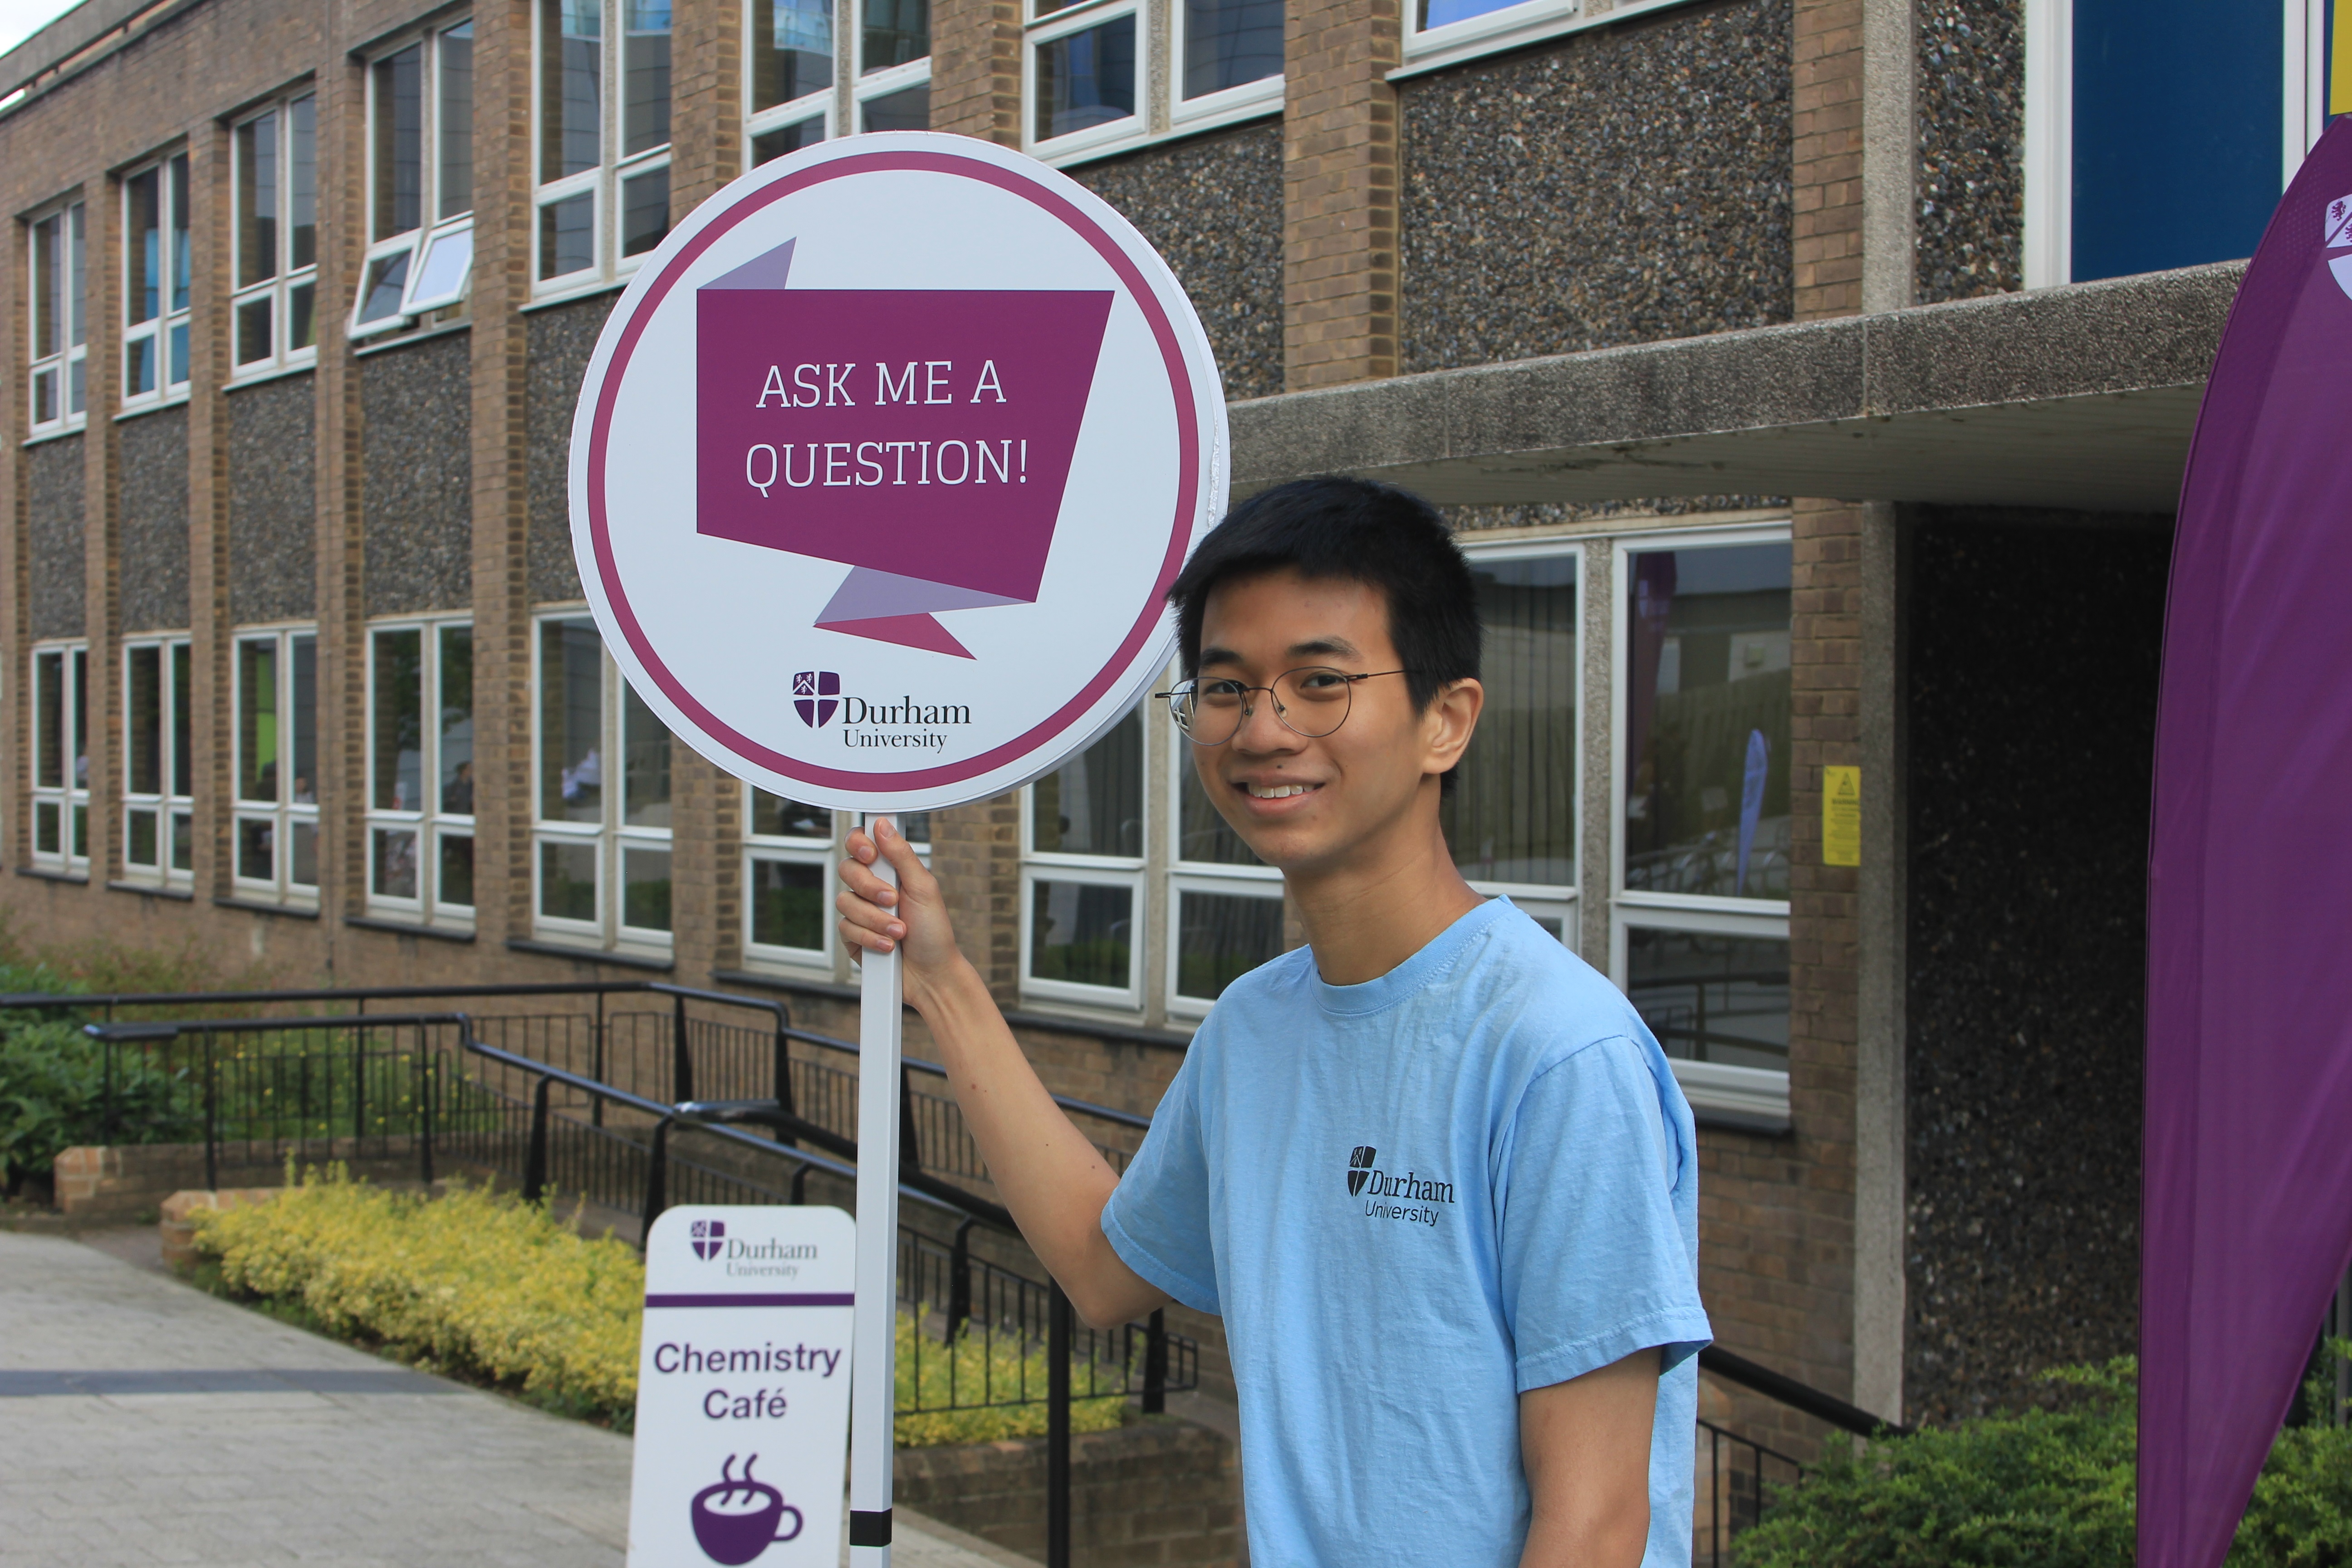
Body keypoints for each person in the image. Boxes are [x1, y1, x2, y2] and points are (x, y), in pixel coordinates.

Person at [838, 476, 1710, 1568]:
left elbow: (1594, 1524)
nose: (1264, 729)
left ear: (1447, 719)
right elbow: (1106, 1270)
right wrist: (942, 977)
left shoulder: (1556, 1053)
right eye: (1225, 688)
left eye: (1321, 682)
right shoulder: (1254, 1029)